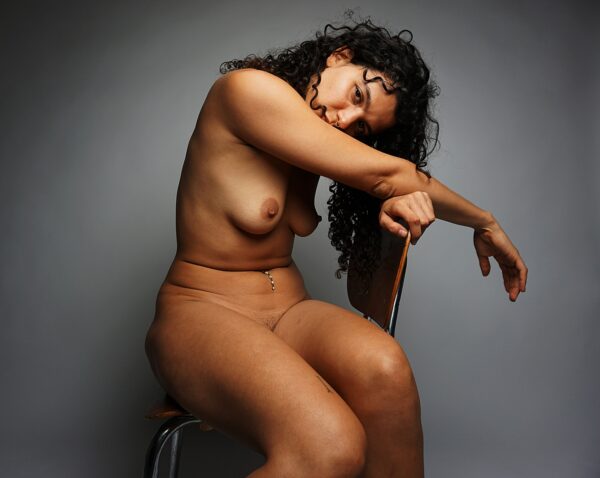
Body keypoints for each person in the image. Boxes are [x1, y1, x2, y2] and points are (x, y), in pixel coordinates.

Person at [144, 18, 528, 478]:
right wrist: (483, 220)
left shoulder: (317, 140)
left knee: (387, 368)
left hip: (290, 310)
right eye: (357, 95)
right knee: (333, 446)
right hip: (202, 309)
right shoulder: (247, 91)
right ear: (339, 56)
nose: (345, 120)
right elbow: (387, 175)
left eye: (362, 127)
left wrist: (391, 217)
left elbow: (371, 251)